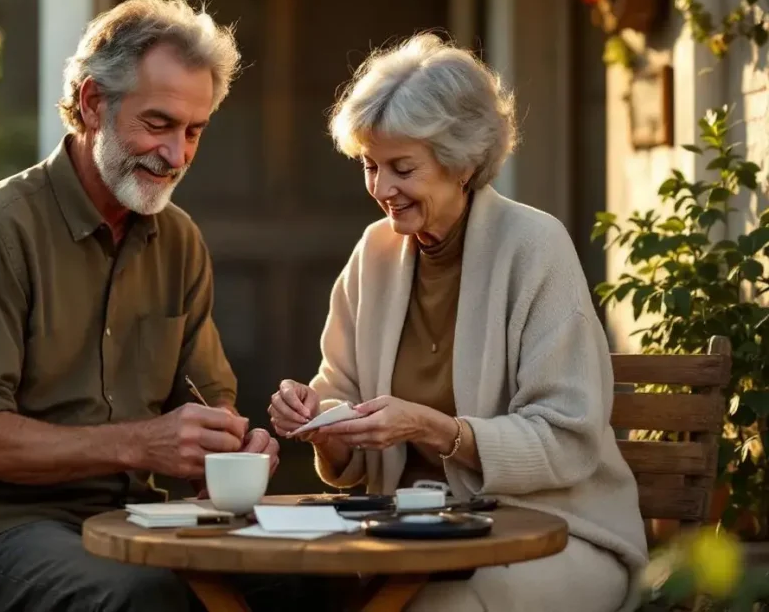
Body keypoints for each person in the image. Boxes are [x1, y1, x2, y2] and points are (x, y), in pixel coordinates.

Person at [0, 0, 281, 612]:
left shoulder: (179, 240)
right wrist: (139, 445)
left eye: (195, 131)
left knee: (303, 581)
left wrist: (231, 451)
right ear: (91, 104)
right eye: (158, 124)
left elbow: (206, 407)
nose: (178, 156)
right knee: (144, 598)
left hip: (133, 522)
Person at [268, 34, 648, 612]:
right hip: (408, 539)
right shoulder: (372, 256)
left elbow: (568, 438)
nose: (382, 189)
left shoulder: (534, 246)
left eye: (402, 168)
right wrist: (317, 420)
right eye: (370, 166)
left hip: (552, 535)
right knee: (283, 589)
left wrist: (437, 429)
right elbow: (340, 405)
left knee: (435, 608)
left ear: (463, 162)